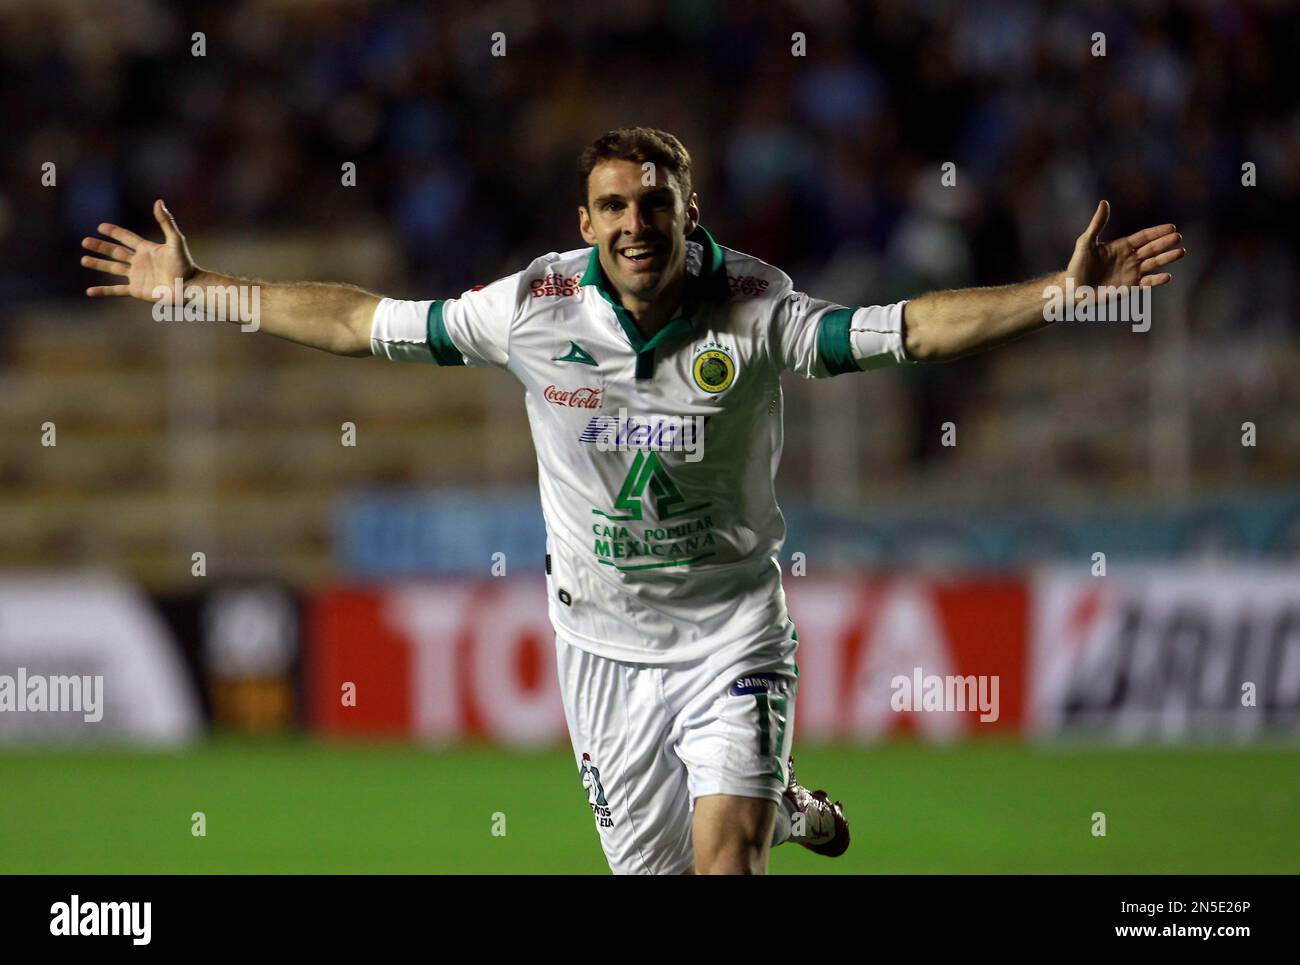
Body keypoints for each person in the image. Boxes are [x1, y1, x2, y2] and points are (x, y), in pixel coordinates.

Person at [81, 126, 1185, 875]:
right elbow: (359, 318)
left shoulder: (755, 308)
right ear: (585, 216)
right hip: (600, 646)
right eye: (611, 205)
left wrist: (1057, 294)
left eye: (652, 204)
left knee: (723, 862)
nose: (633, 224)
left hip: (731, 631)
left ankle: (756, 804)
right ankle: (784, 799)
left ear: (685, 210)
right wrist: (201, 291)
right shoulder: (530, 307)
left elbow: (908, 328)